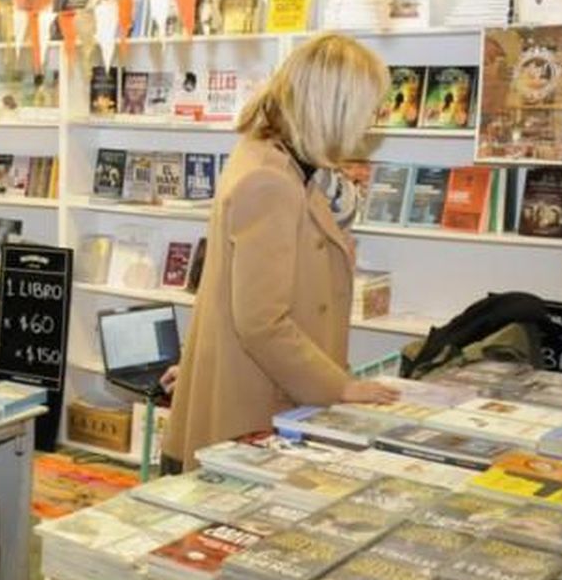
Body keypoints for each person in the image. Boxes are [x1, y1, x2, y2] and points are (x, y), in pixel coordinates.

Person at [161, 34, 400, 472]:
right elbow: (261, 321)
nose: (373, 120)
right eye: (369, 107)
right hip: (259, 402)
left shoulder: (278, 159)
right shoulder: (270, 179)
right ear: (334, 108)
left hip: (266, 388)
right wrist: (339, 387)